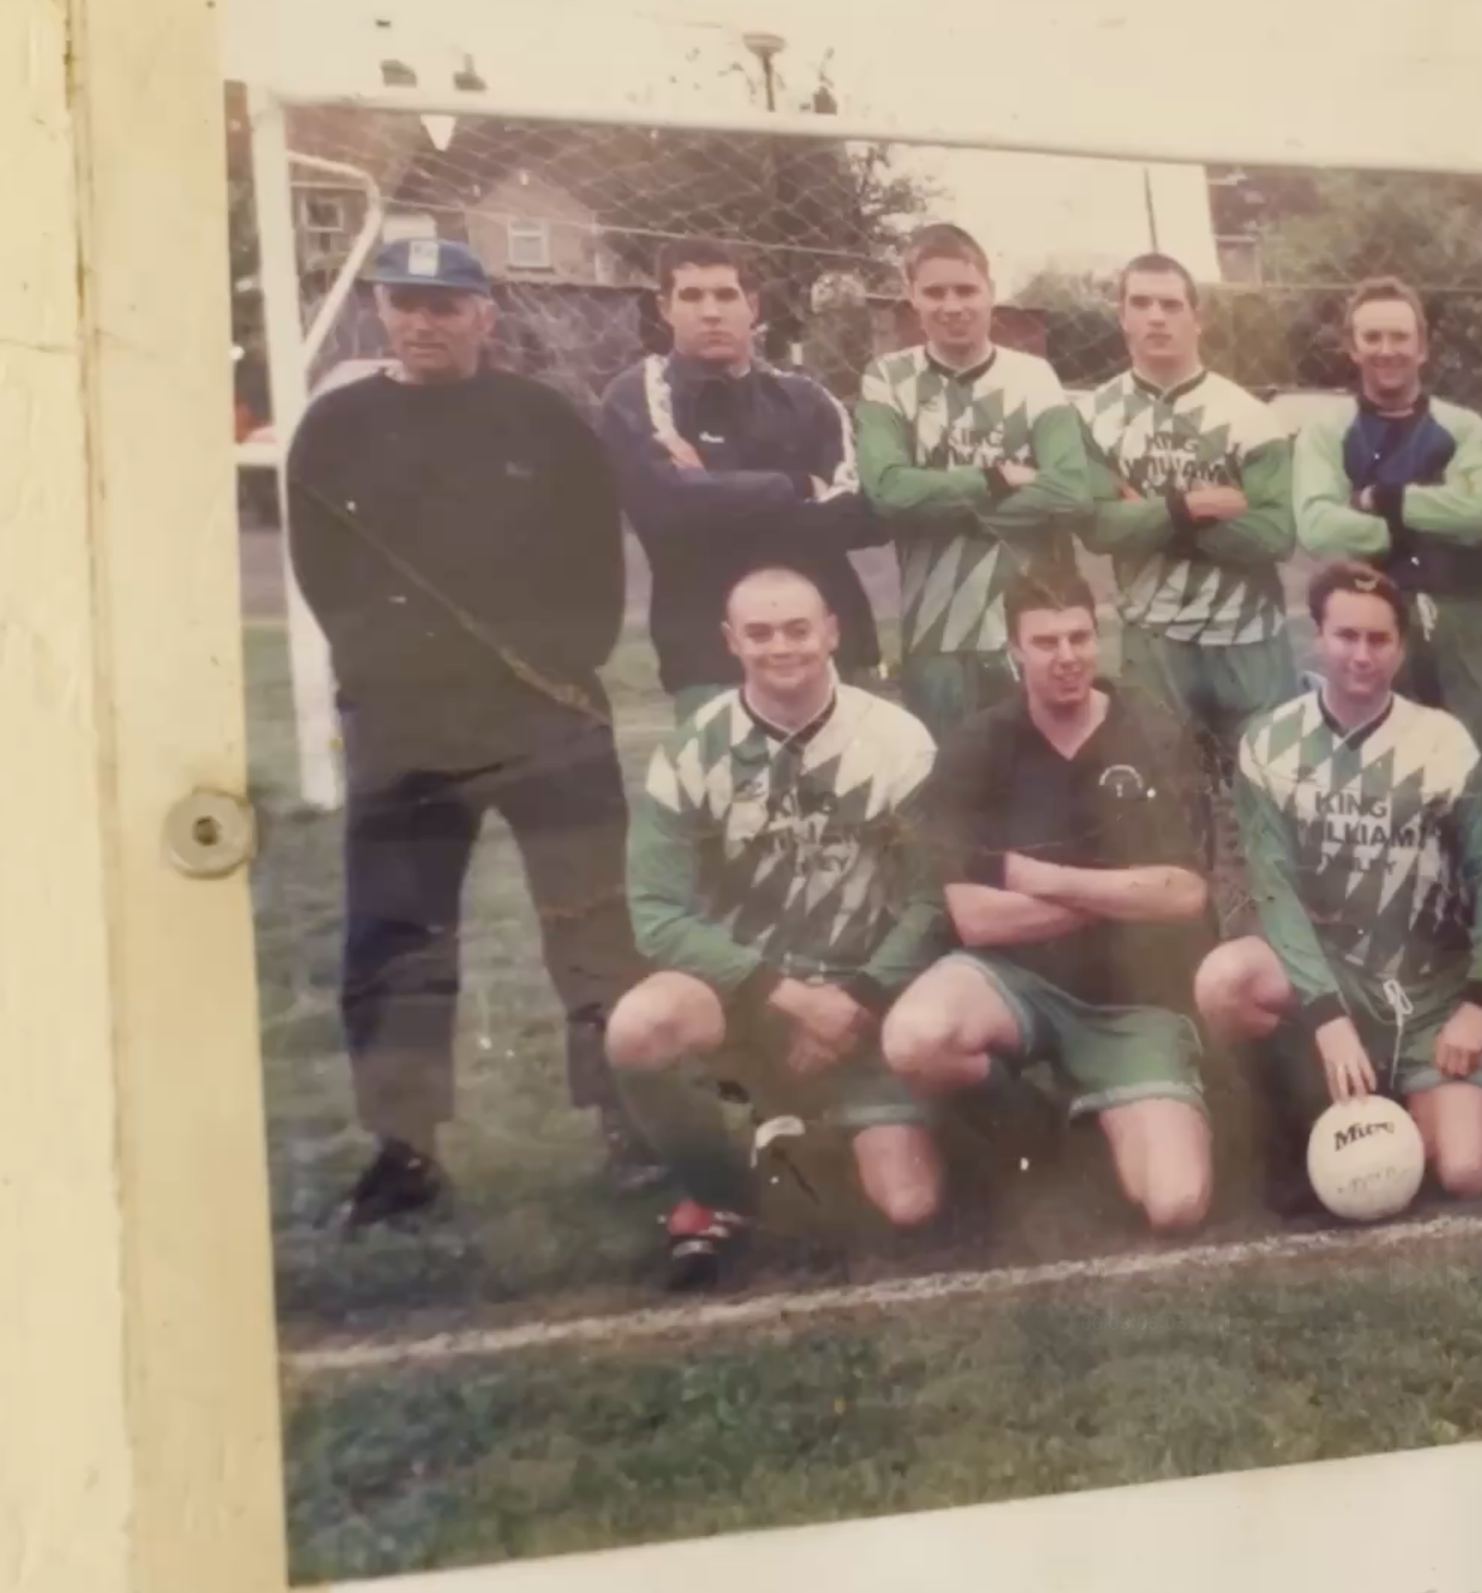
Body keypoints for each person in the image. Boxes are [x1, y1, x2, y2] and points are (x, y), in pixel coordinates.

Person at [283, 237, 652, 1227]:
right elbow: (326, 575)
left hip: (546, 719)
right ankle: (405, 1151)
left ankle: (631, 1123)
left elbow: (595, 572)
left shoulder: (545, 421)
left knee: (597, 924)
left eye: (446, 305)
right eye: (405, 303)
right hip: (405, 731)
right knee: (397, 940)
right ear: (382, 310)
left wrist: (548, 667)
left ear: (485, 314)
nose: (424, 321)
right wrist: (401, 679)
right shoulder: (336, 427)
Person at [601, 567, 948, 1290]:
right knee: (639, 1026)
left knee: (909, 1206)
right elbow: (656, 914)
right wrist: (788, 996)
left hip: (864, 996)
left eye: (798, 628)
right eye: (759, 632)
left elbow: (934, 899)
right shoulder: (694, 750)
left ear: (831, 631)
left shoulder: (897, 741)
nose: (781, 646)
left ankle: (809, 1134)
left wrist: (858, 996)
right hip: (748, 993)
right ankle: (722, 1189)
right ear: (731, 641)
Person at [879, 575, 1215, 1235]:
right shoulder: (978, 744)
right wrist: (1121, 892)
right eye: (1045, 641)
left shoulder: (1151, 728)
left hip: (1132, 997)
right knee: (917, 1038)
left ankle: (1110, 1108)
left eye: (1080, 637)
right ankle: (1032, 1124)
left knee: (1175, 1204)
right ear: (1014, 650)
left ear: (1099, 636)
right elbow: (976, 916)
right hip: (1015, 980)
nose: (1066, 655)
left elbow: (1186, 894)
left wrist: (1032, 874)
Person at [1197, 563, 1482, 1211]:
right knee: (1225, 978)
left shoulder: (1442, 741)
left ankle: (1448, 1087)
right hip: (1333, 978)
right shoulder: (1270, 744)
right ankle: (1289, 1122)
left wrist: (1480, 999)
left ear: (1401, 645)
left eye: (1379, 639)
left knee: (1462, 1172)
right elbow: (1274, 891)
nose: (1362, 654)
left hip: (1431, 990)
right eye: (1346, 636)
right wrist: (1325, 1014)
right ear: (1315, 635)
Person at [598, 239, 884, 712]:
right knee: (732, 789)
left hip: (833, 652)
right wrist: (796, 485)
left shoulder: (806, 397)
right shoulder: (637, 394)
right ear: (665, 307)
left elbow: (861, 515)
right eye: (692, 296)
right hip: (709, 663)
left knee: (851, 787)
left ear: (751, 306)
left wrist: (714, 492)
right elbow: (666, 509)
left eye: (726, 295)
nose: (711, 312)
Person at [855, 224, 1091, 734]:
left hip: (1029, 623)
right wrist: (998, 476)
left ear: (990, 292)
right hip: (933, 627)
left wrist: (938, 498)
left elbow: (1072, 491)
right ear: (911, 297)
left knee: (1035, 779)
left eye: (966, 290)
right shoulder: (888, 378)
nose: (952, 305)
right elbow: (888, 491)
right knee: (947, 789)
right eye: (935, 292)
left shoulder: (1033, 376)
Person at [1077, 252, 1298, 756]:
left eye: (1172, 304)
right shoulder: (1092, 417)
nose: (1157, 316)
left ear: (1198, 319)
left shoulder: (1249, 415)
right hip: (1152, 635)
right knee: (1167, 803)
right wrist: (1192, 507)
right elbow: (1097, 528)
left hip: (1247, 631)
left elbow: (1276, 535)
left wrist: (1148, 515)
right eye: (1142, 303)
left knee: (1266, 786)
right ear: (1122, 315)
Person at [1294, 278, 1482, 757]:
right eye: (1372, 338)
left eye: (1399, 337)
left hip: (1464, 610)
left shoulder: (1462, 426)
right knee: (1387, 765)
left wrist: (1385, 499)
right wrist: (1436, 511)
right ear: (1353, 347)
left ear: (1422, 348)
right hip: (1376, 611)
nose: (1386, 350)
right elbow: (1317, 526)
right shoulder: (1328, 432)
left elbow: (1480, 512)